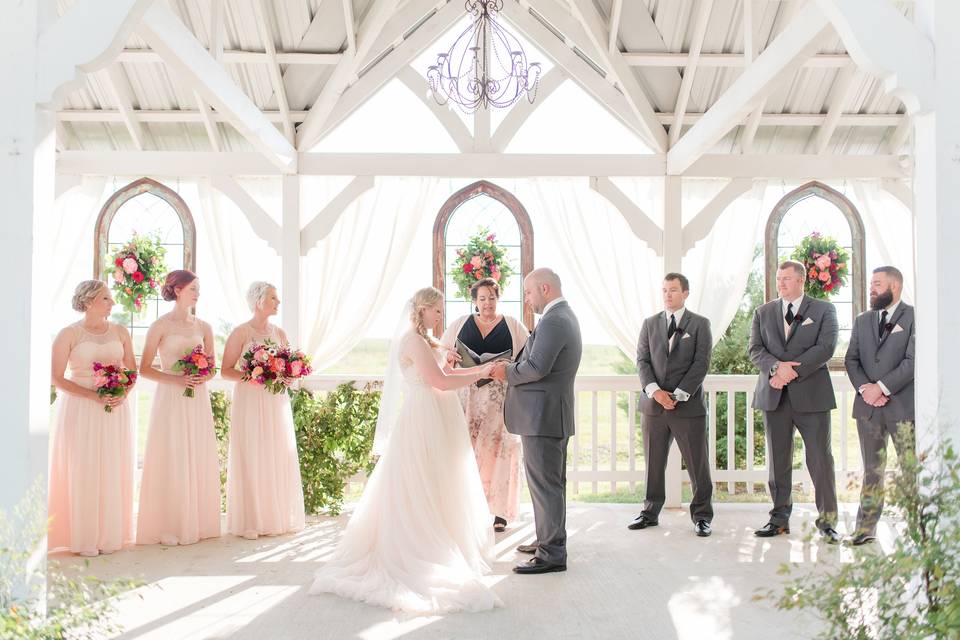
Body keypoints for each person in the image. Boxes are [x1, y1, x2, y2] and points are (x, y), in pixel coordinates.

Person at [309, 287, 501, 614]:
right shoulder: (413, 340)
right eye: (437, 310)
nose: (441, 315)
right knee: (422, 480)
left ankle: (446, 537)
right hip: (425, 415)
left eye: (442, 310)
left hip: (439, 414)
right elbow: (439, 381)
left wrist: (475, 368)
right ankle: (421, 546)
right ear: (422, 310)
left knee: (443, 481)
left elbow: (448, 373)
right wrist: (481, 372)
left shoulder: (428, 340)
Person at [491, 268, 582, 575]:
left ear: (545, 289)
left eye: (529, 293)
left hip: (543, 417)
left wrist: (507, 372)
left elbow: (538, 367)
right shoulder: (560, 317)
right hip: (545, 416)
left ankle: (552, 553)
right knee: (548, 485)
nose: (527, 299)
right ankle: (548, 539)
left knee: (547, 486)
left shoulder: (555, 320)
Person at [749, 260, 840, 543]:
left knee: (820, 460)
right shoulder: (763, 312)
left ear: (801, 280)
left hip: (812, 395)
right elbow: (755, 350)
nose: (781, 283)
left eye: (787, 278)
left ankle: (827, 522)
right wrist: (777, 368)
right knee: (778, 461)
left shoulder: (824, 310)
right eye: (778, 279)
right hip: (773, 395)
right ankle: (778, 519)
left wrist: (792, 372)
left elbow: (826, 348)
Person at [49, 280, 136, 556]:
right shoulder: (68, 334)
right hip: (81, 409)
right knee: (83, 467)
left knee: (112, 465)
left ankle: (110, 534)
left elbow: (132, 371)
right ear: (88, 302)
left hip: (115, 407)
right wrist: (92, 397)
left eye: (111, 298)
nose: (112, 303)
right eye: (106, 299)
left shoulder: (121, 332)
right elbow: (56, 377)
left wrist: (122, 392)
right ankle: (83, 536)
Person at [136, 270, 221, 546]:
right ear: (178, 290)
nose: (198, 293)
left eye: (199, 288)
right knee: (170, 452)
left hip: (196, 397)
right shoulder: (160, 326)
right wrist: (178, 378)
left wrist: (200, 376)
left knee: (195, 451)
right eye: (194, 288)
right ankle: (167, 523)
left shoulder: (204, 327)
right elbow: (145, 368)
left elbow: (212, 367)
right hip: (170, 398)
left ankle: (197, 521)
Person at [629, 273, 714, 537]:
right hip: (654, 407)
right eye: (664, 290)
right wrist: (656, 393)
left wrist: (676, 395)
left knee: (697, 464)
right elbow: (642, 361)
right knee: (654, 462)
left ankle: (702, 516)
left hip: (687, 407)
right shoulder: (650, 323)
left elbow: (701, 363)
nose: (668, 295)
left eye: (673, 290)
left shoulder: (700, 324)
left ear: (685, 293)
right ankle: (650, 512)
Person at [441, 277, 529, 532]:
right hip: (466, 399)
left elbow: (529, 356)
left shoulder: (513, 325)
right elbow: (441, 350)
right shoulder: (460, 323)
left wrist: (508, 367)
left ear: (497, 298)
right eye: (482, 298)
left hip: (500, 400)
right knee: (465, 451)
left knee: (500, 451)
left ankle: (499, 512)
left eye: (491, 297)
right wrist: (447, 354)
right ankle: (465, 508)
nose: (487, 303)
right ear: (474, 301)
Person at [221, 282, 305, 539]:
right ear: (259, 302)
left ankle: (275, 516)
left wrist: (288, 377)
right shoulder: (241, 333)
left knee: (276, 452)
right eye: (273, 298)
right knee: (252, 452)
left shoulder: (279, 333)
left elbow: (288, 366)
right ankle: (251, 520)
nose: (277, 302)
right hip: (249, 400)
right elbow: (225, 371)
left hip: (275, 401)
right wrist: (254, 375)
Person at [844, 266, 915, 545]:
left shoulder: (914, 316)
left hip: (903, 406)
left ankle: (917, 528)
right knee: (872, 469)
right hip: (869, 408)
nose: (871, 289)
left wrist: (882, 387)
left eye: (877, 284)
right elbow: (851, 360)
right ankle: (865, 529)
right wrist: (866, 389)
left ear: (894, 286)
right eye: (871, 284)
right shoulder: (862, 320)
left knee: (912, 470)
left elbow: (913, 361)